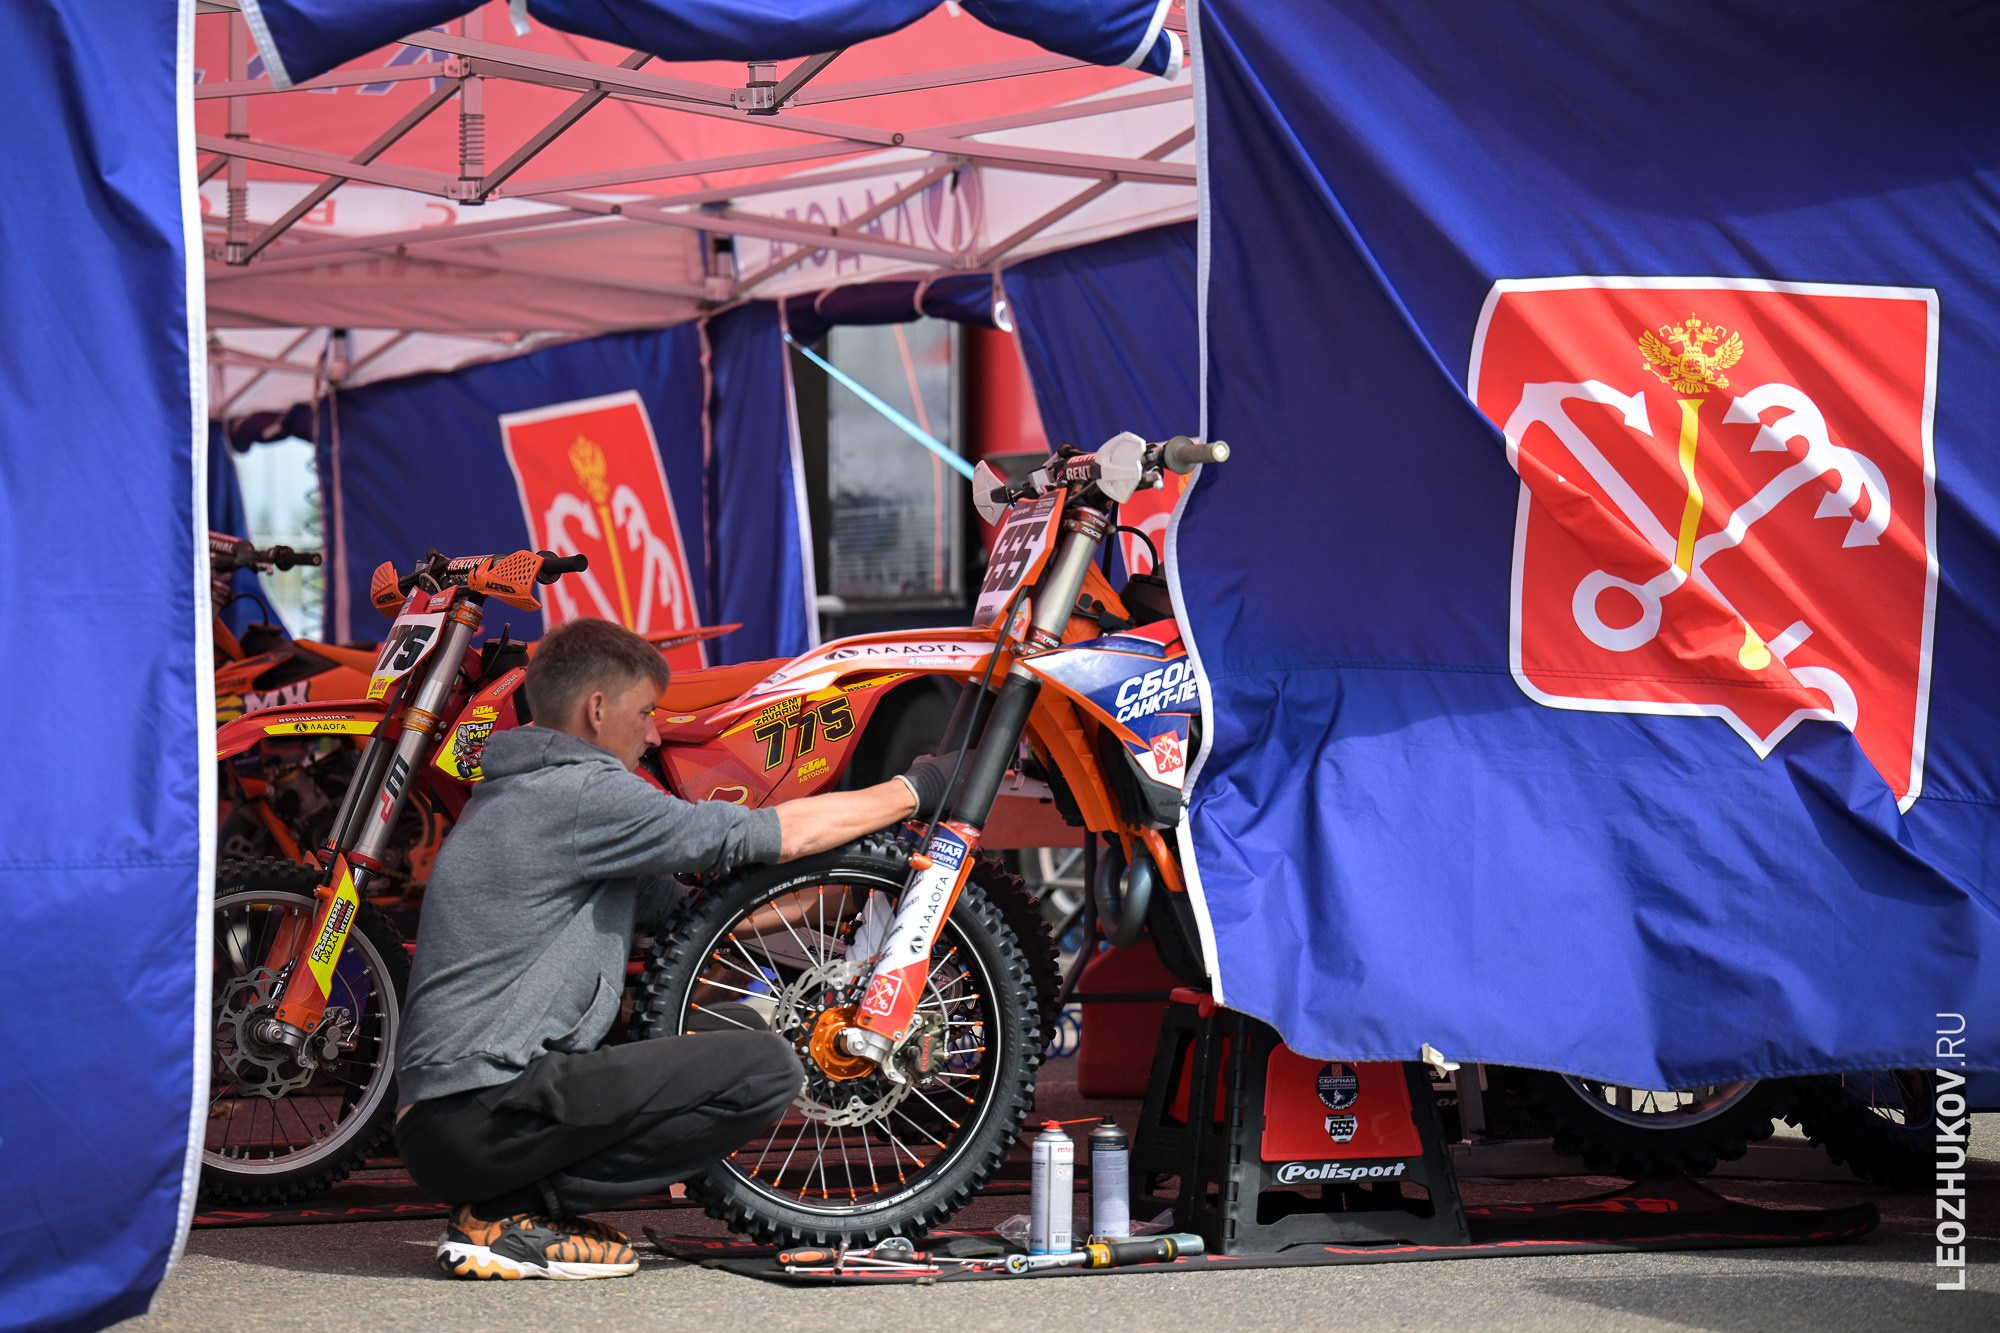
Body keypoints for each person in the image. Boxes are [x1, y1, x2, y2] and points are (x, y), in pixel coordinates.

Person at [393, 617, 954, 1281]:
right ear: (597, 709)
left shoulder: (519, 792)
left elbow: (690, 913)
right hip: (484, 1114)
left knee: (728, 1045)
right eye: (647, 711)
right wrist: (914, 788)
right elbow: (759, 834)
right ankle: (513, 1216)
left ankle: (511, 1209)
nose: (655, 731)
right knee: (766, 1067)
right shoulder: (581, 794)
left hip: (453, 1120)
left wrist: (850, 891)